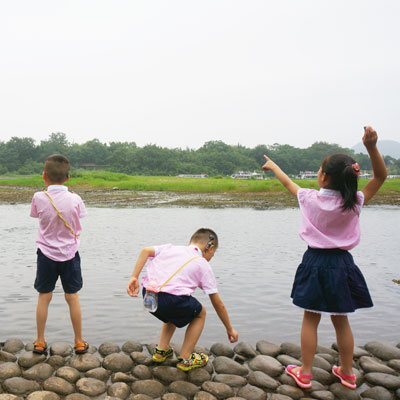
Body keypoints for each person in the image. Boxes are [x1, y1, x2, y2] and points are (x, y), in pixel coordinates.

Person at [261, 126, 387, 390]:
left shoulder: (309, 198)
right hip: (342, 264)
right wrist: (372, 147)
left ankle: (305, 373)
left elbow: (288, 183)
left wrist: (274, 166)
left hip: (314, 262)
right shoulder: (355, 202)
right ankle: (348, 372)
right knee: (341, 320)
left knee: (311, 317)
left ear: (324, 178)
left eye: (319, 170)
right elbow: (380, 175)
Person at [127, 228, 238, 371]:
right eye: (213, 254)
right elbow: (217, 303)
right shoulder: (202, 263)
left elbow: (145, 250)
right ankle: (186, 358)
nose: (211, 257)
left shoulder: (170, 248)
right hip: (170, 301)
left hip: (149, 297)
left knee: (172, 313)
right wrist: (229, 328)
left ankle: (161, 351)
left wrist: (134, 277)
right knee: (200, 312)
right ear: (209, 248)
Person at [30, 154, 89, 355]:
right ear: (68, 177)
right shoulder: (75, 199)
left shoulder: (39, 197)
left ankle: (39, 341)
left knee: (44, 296)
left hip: (46, 253)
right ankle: (79, 341)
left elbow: (36, 215)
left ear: (44, 176)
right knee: (72, 296)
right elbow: (80, 216)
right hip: (70, 253)